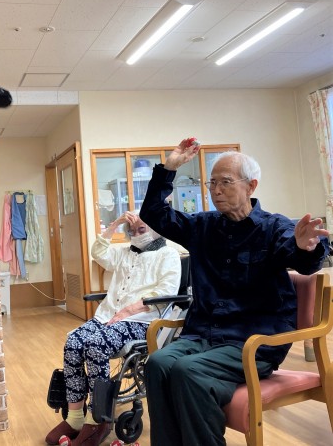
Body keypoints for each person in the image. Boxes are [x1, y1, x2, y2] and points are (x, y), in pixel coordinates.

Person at [139, 144, 330, 446]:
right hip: (202, 335)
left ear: (251, 186)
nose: (216, 190)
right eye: (212, 183)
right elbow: (153, 213)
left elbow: (303, 258)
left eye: (225, 182)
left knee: (188, 371)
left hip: (254, 342)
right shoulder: (201, 226)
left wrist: (307, 247)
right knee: (158, 363)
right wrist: (169, 168)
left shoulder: (274, 227)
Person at [45, 211, 181, 446]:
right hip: (108, 316)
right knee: (73, 343)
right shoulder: (124, 253)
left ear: (155, 230)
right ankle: (75, 418)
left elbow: (166, 292)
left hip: (141, 321)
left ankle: (98, 419)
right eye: (132, 231)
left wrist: (129, 310)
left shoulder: (168, 255)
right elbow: (98, 252)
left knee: (96, 345)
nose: (136, 235)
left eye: (141, 230)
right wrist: (116, 224)